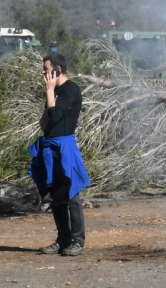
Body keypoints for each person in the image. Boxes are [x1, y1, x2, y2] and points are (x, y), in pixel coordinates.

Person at [30, 52, 89, 256]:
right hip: (50, 146)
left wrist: (49, 90)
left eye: (46, 69)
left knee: (71, 193)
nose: (43, 73)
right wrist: (49, 95)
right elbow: (46, 121)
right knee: (56, 195)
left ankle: (77, 240)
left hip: (64, 147)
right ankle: (62, 239)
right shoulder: (54, 90)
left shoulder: (71, 90)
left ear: (58, 70)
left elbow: (55, 117)